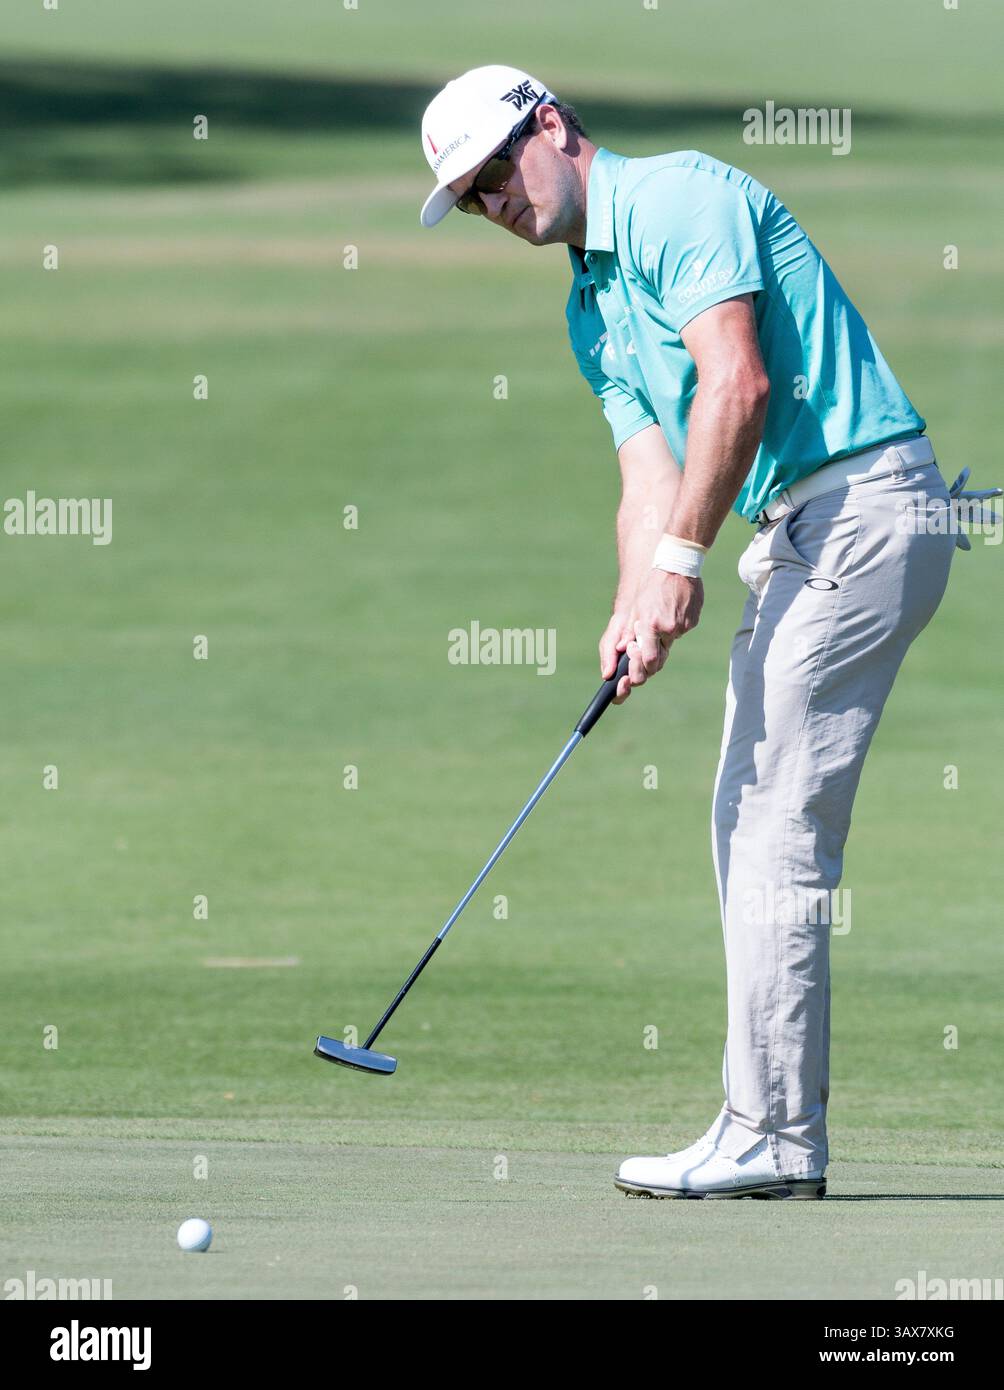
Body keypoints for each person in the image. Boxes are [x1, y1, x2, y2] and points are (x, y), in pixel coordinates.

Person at [418, 65, 998, 1198]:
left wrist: (683, 564)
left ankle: (773, 1137)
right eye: (472, 198)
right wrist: (634, 602)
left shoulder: (680, 197)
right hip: (805, 526)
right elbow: (649, 477)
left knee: (774, 820)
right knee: (747, 816)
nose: (495, 204)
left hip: (862, 509)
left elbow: (736, 386)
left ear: (551, 126)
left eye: (496, 172)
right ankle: (762, 1126)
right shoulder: (588, 306)